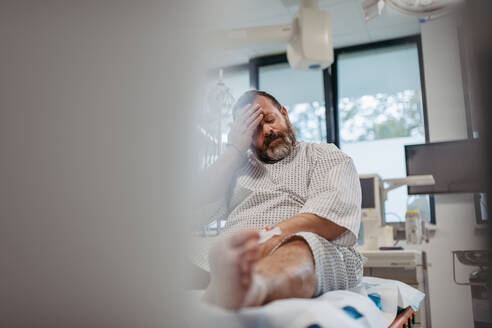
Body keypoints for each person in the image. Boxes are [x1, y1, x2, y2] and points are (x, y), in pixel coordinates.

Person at [193, 90, 364, 310]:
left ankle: (252, 288)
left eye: (270, 120)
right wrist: (233, 150)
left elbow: (329, 217)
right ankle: (228, 282)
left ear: (284, 113)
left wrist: (267, 239)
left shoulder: (323, 155)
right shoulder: (238, 167)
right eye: (254, 130)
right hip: (230, 256)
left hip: (299, 246)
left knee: (304, 246)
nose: (267, 131)